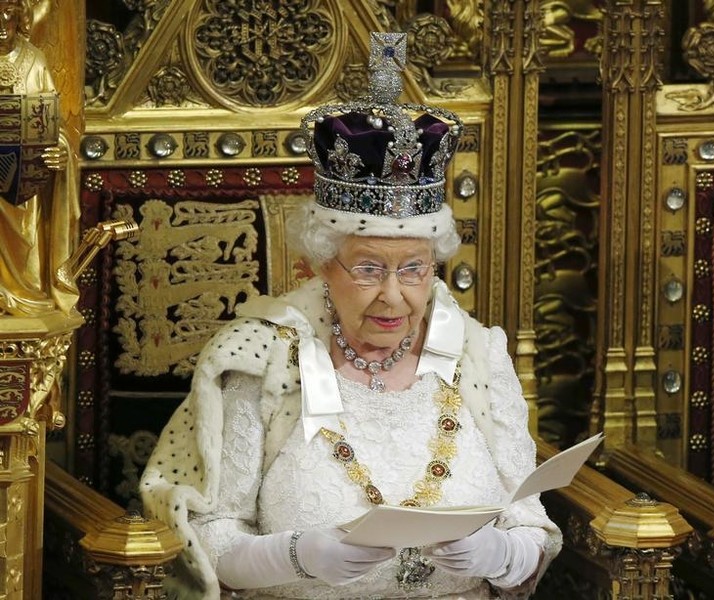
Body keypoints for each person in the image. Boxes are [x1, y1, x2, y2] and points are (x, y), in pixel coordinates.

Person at [141, 31, 562, 600]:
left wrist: (502, 552)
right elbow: (210, 534)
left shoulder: (477, 353)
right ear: (319, 266)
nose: (393, 296)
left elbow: (530, 523)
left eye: (413, 269)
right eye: (367, 269)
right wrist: (297, 555)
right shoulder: (260, 357)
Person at [0, 0, 79, 316]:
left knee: (27, 245)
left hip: (23, 185)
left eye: (7, 16)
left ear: (19, 18)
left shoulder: (34, 60)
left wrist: (61, 153)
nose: (1, 27)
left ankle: (24, 291)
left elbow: (50, 126)